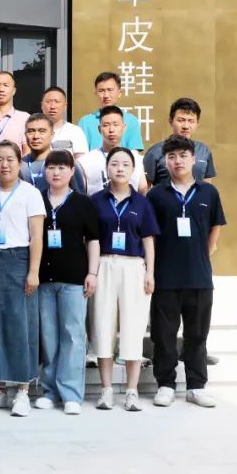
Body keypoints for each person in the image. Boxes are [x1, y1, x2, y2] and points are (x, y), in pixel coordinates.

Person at [147, 136, 227, 409]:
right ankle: (165, 385)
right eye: (171, 157)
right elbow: (150, 236)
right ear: (164, 161)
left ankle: (196, 386)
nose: (177, 161)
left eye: (183, 155)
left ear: (194, 159)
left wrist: (205, 253)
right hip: (166, 277)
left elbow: (216, 225)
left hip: (199, 277)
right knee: (164, 335)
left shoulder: (208, 193)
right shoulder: (156, 195)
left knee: (197, 335)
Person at [0, 141, 45, 417]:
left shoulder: (30, 193)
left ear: (19, 162)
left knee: (21, 325)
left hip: (19, 259)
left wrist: (33, 271)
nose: (4, 165)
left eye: (10, 159)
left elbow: (36, 236)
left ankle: (23, 390)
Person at [90, 147, 160, 412]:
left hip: (133, 267)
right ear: (107, 168)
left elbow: (148, 240)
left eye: (125, 164)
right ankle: (106, 390)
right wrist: (92, 272)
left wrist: (150, 272)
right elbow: (90, 240)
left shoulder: (142, 203)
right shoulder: (96, 201)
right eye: (114, 163)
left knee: (133, 326)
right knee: (103, 325)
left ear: (133, 170)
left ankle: (132, 390)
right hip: (105, 264)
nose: (119, 168)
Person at [34, 150, 100, 415]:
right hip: (43, 279)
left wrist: (92, 273)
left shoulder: (83, 202)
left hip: (74, 279)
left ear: (72, 171)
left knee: (73, 335)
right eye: (51, 167)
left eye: (62, 167)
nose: (56, 172)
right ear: (45, 171)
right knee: (49, 337)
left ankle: (71, 393)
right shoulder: (37, 199)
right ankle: (49, 391)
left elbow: (93, 239)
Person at [143, 98, 217, 188]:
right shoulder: (154, 152)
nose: (186, 126)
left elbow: (208, 186)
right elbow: (145, 187)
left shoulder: (204, 150)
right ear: (171, 122)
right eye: (181, 120)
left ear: (197, 124)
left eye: (191, 121)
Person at [77, 106, 148, 195]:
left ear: (124, 128)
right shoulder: (85, 161)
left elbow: (143, 189)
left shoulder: (136, 158)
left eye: (116, 124)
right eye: (106, 125)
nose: (111, 130)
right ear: (99, 129)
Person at [77, 72, 144, 151]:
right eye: (101, 91)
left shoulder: (131, 120)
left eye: (110, 90)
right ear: (96, 94)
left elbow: (134, 153)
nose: (106, 95)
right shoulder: (85, 122)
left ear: (119, 93)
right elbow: (81, 154)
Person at [40, 86, 88, 158]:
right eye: (48, 102)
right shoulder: (34, 132)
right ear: (42, 105)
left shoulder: (75, 131)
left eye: (57, 102)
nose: (52, 106)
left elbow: (82, 160)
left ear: (65, 106)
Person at [0, 71, 30, 148]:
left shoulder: (24, 118)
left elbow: (27, 151)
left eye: (6, 85)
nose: (1, 89)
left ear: (14, 91)